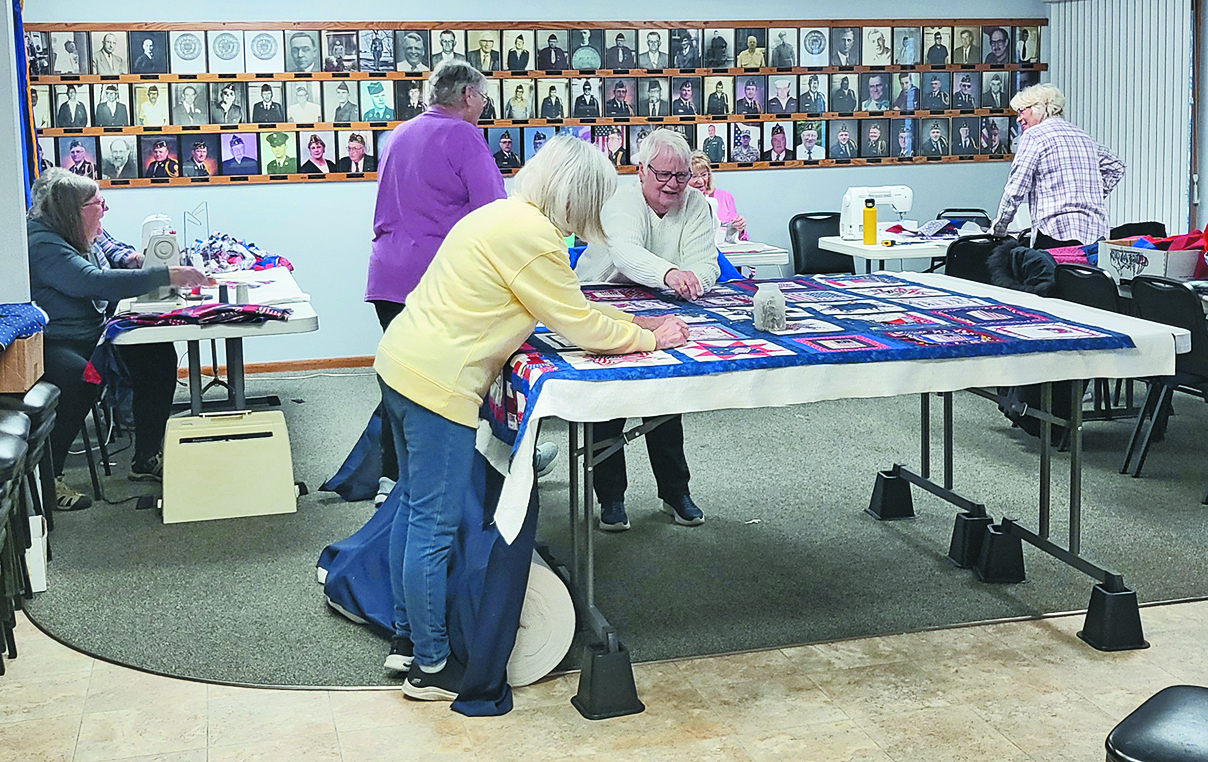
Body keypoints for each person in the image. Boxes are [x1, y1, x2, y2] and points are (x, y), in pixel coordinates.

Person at [376, 134, 687, 699]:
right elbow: (581, 325)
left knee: (415, 512)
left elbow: (556, 304)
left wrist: (599, 314)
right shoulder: (536, 239)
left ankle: (407, 636)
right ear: (577, 196)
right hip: (437, 386)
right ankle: (429, 665)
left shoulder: (499, 214)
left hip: (400, 363)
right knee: (433, 526)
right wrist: (649, 334)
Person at [369, 61, 556, 509]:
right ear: (469, 96)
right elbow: (496, 217)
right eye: (484, 98)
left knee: (409, 383)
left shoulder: (399, 134)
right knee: (471, 382)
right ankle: (501, 463)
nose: (484, 107)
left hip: (387, 275)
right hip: (440, 284)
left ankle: (394, 481)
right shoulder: (463, 136)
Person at [25, 169, 212, 509]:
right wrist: (167, 274)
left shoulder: (70, 228)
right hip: (57, 341)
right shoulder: (43, 243)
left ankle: (145, 458)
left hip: (94, 331)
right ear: (75, 210)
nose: (105, 209)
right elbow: (93, 281)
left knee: (157, 352)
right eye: (99, 204)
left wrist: (137, 261)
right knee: (82, 380)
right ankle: (49, 479)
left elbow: (110, 252)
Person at [573, 130, 714, 533]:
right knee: (608, 406)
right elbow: (627, 255)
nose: (673, 184)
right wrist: (672, 274)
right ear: (640, 171)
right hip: (606, 304)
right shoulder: (621, 201)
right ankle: (611, 498)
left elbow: (705, 261)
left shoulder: (696, 204)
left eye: (682, 175)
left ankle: (675, 493)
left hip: (665, 307)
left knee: (666, 401)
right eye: (663, 174)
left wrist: (694, 281)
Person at [991, 85, 1124, 248]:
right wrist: (1089, 195)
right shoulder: (1082, 136)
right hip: (1095, 235)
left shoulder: (1033, 136)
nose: (1018, 119)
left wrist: (998, 230)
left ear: (1038, 107)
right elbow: (1116, 166)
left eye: (1021, 111)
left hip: (1054, 234)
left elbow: (1015, 189)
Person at [688, 150, 746, 244]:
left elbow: (741, 237)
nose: (700, 181)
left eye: (704, 175)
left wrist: (739, 228)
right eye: (693, 176)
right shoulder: (678, 202)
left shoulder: (724, 197)